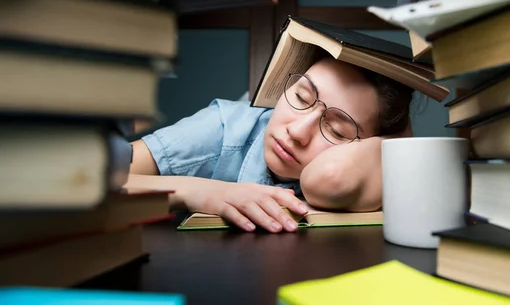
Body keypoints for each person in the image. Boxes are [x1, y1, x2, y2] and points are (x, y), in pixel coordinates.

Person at [125, 57, 414, 233]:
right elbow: (97, 182)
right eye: (301, 97)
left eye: (337, 131)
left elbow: (330, 178)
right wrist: (193, 191)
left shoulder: (362, 167)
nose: (297, 131)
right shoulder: (221, 127)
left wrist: (394, 144)